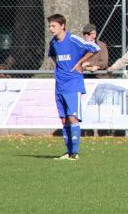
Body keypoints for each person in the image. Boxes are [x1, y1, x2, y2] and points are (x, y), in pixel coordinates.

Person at [47, 14, 100, 161]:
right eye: (50, 26)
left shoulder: (73, 39)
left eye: (53, 26)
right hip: (59, 84)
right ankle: (68, 151)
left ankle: (75, 153)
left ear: (62, 26)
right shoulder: (53, 43)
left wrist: (80, 63)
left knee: (72, 117)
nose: (51, 29)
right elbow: (52, 56)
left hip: (72, 84)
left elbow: (95, 48)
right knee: (64, 120)